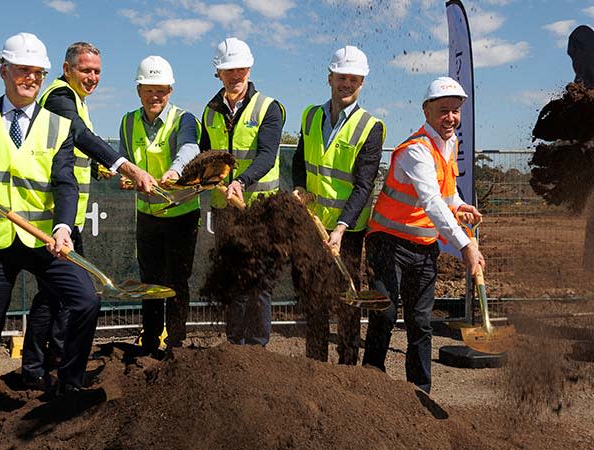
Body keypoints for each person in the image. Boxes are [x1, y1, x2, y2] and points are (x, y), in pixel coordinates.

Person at [0, 33, 153, 441]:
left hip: (41, 241)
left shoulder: (57, 125)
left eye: (37, 72)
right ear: (3, 70)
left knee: (86, 300)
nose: (31, 78)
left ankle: (68, 389)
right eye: (23, 70)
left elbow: (65, 183)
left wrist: (63, 227)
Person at [20, 42, 157, 390]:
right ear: (67, 69)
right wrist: (126, 166)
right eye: (85, 70)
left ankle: (43, 363)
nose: (92, 77)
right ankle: (48, 366)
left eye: (97, 71)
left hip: (66, 219)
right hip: (54, 220)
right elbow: (80, 135)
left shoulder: (75, 100)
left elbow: (68, 151)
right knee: (70, 296)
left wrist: (98, 169)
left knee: (54, 296)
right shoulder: (60, 97)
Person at [361, 76, 485, 394]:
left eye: (455, 111)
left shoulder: (449, 144)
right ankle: (371, 384)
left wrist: (459, 205)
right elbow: (430, 201)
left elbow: (445, 194)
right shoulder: (416, 150)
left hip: (424, 246)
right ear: (426, 111)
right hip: (388, 242)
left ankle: (420, 393)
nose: (451, 118)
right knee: (385, 314)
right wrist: (465, 245)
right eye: (443, 111)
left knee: (421, 322)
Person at [291, 45, 385, 364]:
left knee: (347, 299)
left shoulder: (370, 127)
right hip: (313, 223)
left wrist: (342, 228)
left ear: (362, 83)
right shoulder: (310, 116)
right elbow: (299, 160)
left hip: (347, 230)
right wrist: (300, 187)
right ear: (330, 78)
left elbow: (364, 185)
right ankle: (315, 365)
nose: (347, 84)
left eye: (354, 79)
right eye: (341, 77)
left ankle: (347, 367)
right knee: (314, 296)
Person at [199, 37, 285, 346]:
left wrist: (242, 181)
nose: (235, 75)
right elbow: (206, 155)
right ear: (218, 73)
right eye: (228, 70)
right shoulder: (210, 111)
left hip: (260, 208)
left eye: (240, 69)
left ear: (249, 69)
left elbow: (267, 155)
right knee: (232, 277)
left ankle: (257, 348)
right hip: (225, 210)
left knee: (259, 281)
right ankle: (234, 345)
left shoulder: (269, 108)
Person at [118, 55, 201, 355]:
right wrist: (126, 177)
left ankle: (176, 344)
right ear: (138, 90)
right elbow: (124, 160)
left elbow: (189, 147)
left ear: (170, 91)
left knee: (178, 281)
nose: (155, 96)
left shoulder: (184, 119)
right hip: (148, 215)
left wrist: (176, 171)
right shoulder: (128, 122)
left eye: (161, 90)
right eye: (149, 90)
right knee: (150, 281)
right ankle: (150, 341)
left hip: (182, 216)